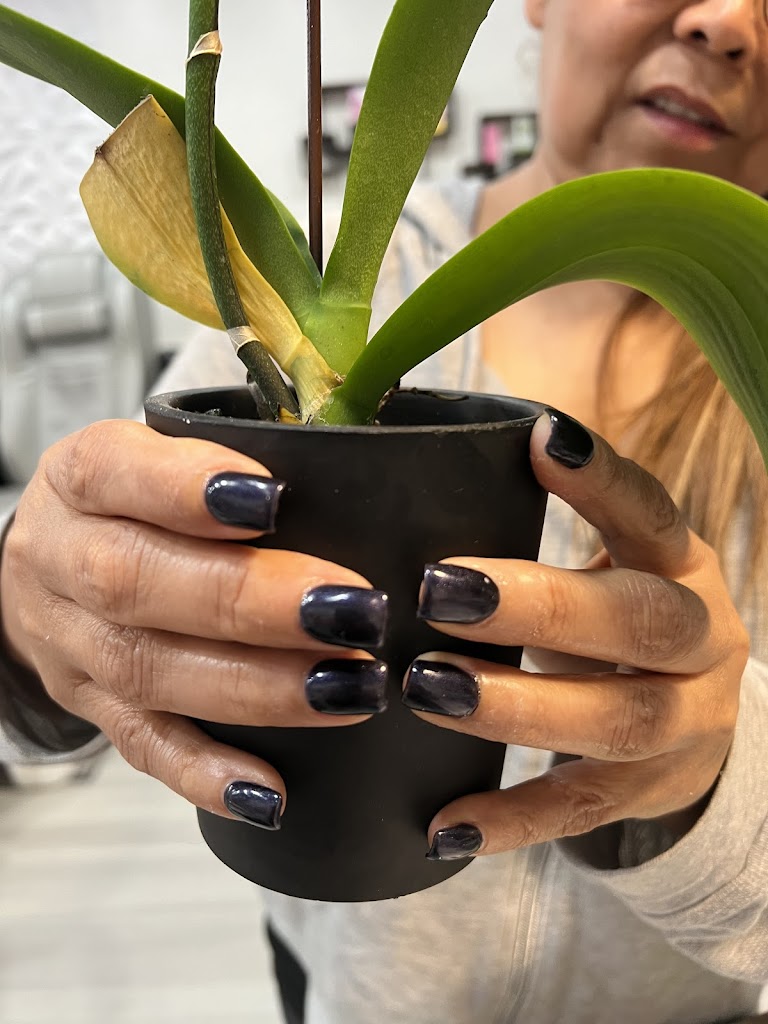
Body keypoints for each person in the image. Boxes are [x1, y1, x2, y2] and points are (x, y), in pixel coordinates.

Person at [1, 0, 767, 1021]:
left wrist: (716, 777)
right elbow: (102, 586)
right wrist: (33, 618)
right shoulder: (267, 316)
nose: (727, 20)